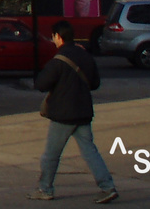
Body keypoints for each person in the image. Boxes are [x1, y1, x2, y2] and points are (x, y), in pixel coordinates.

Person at [29, 20, 117, 202]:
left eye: (53, 37)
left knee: (51, 155)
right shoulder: (85, 55)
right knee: (90, 151)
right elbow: (95, 83)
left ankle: (45, 188)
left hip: (63, 114)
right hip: (83, 112)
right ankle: (107, 186)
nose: (53, 40)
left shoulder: (59, 60)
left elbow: (41, 84)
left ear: (58, 37)